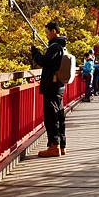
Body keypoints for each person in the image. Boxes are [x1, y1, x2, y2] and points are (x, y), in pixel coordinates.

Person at [31, 21, 67, 157]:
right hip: (59, 86)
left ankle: (53, 146)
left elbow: (44, 61)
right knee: (59, 115)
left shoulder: (55, 47)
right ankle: (62, 146)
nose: (45, 35)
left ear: (53, 31)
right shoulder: (62, 46)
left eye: (46, 32)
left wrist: (35, 53)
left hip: (52, 87)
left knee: (51, 116)